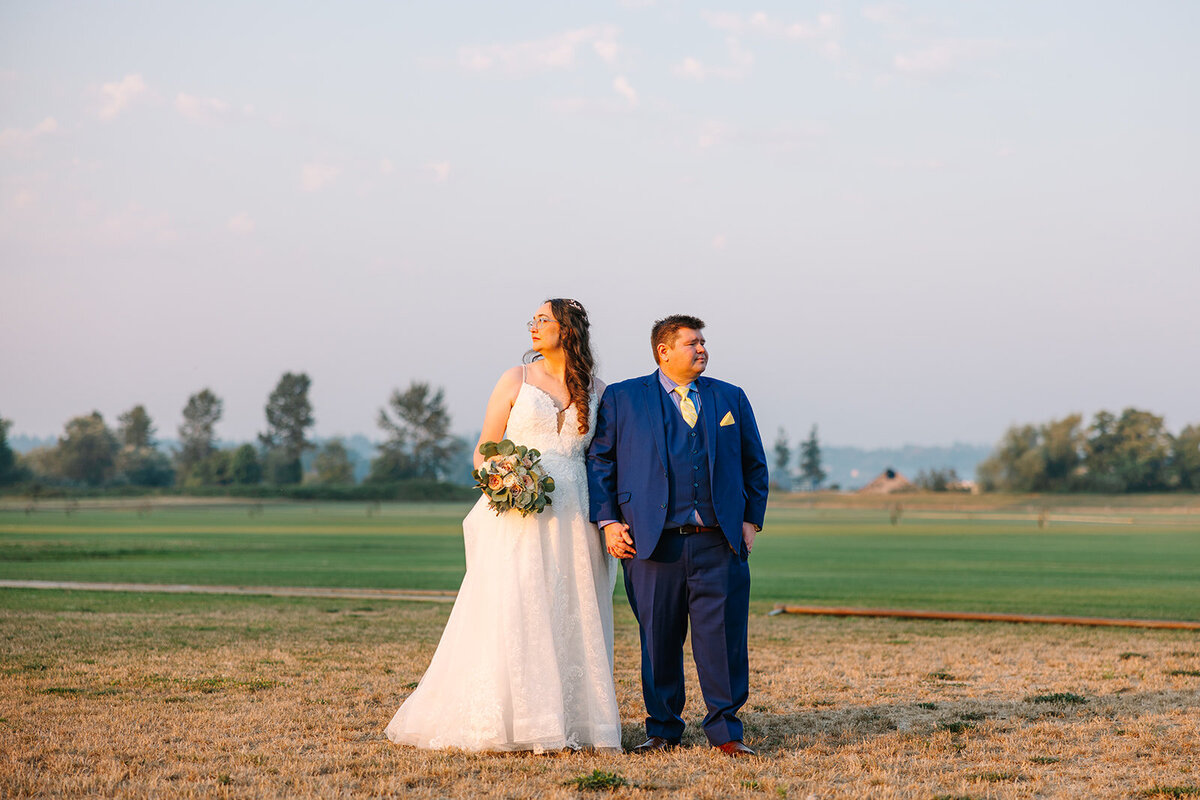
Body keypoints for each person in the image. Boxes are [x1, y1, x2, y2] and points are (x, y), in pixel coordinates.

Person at [385, 298, 621, 752]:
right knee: (516, 607)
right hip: (518, 515)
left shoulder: (600, 390)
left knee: (573, 609)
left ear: (567, 330)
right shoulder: (516, 379)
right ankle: (511, 721)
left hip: (575, 515)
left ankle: (576, 721)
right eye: (532, 320)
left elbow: (603, 458)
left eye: (543, 320)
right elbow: (483, 448)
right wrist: (503, 480)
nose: (533, 327)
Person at [587, 314, 768, 756]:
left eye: (703, 341)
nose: (702, 348)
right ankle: (663, 729)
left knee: (723, 640)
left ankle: (726, 732)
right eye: (692, 343)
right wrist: (609, 521)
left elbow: (754, 464)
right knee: (658, 640)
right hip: (651, 544)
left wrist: (750, 520)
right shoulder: (624, 397)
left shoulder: (730, 397)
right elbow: (601, 462)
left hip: (718, 542)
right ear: (663, 351)